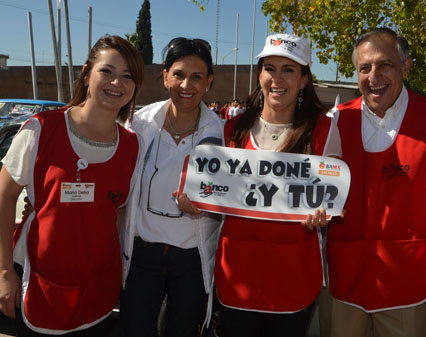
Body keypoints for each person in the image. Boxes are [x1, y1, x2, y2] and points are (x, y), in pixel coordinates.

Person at [324, 27, 426, 337]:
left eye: (385, 65)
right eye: (364, 67)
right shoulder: (336, 121)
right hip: (345, 275)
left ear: (405, 66)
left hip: (409, 277)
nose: (374, 76)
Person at [0, 35, 144, 335]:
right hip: (38, 281)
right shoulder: (41, 129)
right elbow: (3, 198)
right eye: (107, 71)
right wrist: (3, 273)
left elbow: (118, 212)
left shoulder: (132, 145)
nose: (117, 83)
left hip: (98, 288)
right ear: (86, 72)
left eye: (127, 76)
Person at [209, 33, 341, 337]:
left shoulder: (323, 130)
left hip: (293, 278)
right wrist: (196, 198)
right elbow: (214, 191)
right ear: (260, 74)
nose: (277, 78)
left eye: (288, 69)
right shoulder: (232, 129)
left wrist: (325, 214)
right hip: (237, 276)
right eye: (270, 68)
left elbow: (333, 196)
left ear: (305, 79)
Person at [118, 37, 224, 337]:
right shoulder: (138, 124)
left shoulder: (222, 133)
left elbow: (231, 196)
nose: (186, 84)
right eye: (178, 74)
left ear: (209, 82)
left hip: (192, 259)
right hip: (141, 256)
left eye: (197, 77)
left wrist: (209, 205)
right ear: (165, 77)